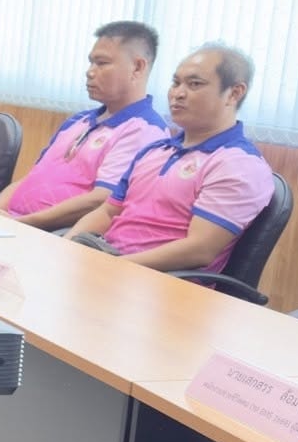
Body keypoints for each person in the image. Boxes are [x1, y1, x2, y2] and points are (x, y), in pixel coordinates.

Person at [65, 43, 274, 272]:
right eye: (176, 83)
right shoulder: (155, 151)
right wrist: (66, 247)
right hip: (111, 264)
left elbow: (200, 249)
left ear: (234, 93)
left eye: (194, 84)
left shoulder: (239, 164)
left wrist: (113, 268)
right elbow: (107, 212)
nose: (178, 94)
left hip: (161, 281)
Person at [0, 21, 169, 229]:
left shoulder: (145, 129)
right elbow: (30, 178)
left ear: (137, 67)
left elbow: (101, 200)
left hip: (54, 234)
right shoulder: (78, 120)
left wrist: (20, 223)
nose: (90, 72)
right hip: (13, 223)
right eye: (91, 62)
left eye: (102, 63)